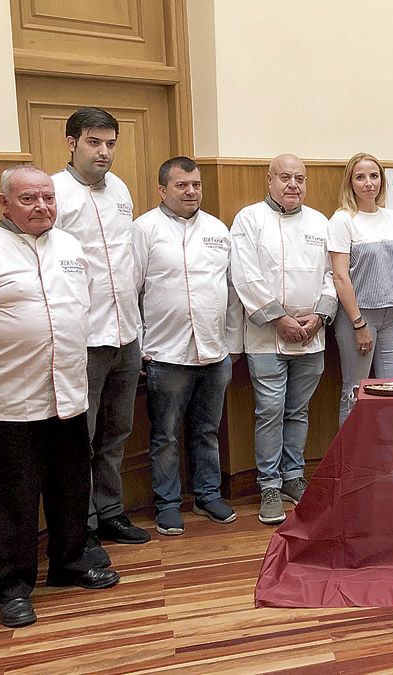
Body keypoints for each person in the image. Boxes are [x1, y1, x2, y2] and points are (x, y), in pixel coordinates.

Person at [0, 166, 120, 628]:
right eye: (29, 198)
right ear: (4, 203)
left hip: (69, 396)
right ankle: (11, 586)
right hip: (9, 404)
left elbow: (85, 306)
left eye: (48, 197)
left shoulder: (72, 249)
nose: (41, 207)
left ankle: (69, 562)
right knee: (14, 500)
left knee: (72, 488)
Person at [51, 107, 150, 560]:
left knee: (117, 431)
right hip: (83, 337)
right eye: (94, 142)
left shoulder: (122, 191)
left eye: (110, 143)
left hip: (126, 331)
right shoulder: (54, 192)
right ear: (72, 142)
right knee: (80, 438)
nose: (104, 152)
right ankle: (83, 526)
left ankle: (111, 512)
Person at [136, 157, 243, 535]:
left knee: (206, 430)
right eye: (182, 185)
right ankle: (167, 503)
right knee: (164, 435)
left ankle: (207, 494)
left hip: (215, 351)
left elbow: (231, 292)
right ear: (162, 189)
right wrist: (139, 348)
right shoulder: (144, 229)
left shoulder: (217, 230)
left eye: (196, 184)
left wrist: (232, 342)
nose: (191, 191)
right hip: (166, 352)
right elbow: (130, 291)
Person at [230, 153, 338, 525]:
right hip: (266, 336)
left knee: (298, 410)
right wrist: (278, 318)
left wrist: (321, 314)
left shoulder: (320, 222)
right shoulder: (249, 219)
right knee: (270, 411)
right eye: (286, 177)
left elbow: (333, 275)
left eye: (300, 179)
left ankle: (293, 477)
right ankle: (269, 485)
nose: (294, 185)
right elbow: (244, 276)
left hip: (311, 334)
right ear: (269, 179)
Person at [328, 153, 393, 424]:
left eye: (374, 176)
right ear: (350, 183)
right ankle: (350, 464)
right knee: (355, 392)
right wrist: (358, 323)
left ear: (382, 181)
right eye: (360, 177)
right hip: (359, 317)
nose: (368, 183)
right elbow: (340, 277)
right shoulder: (343, 220)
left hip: (392, 317)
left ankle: (387, 462)